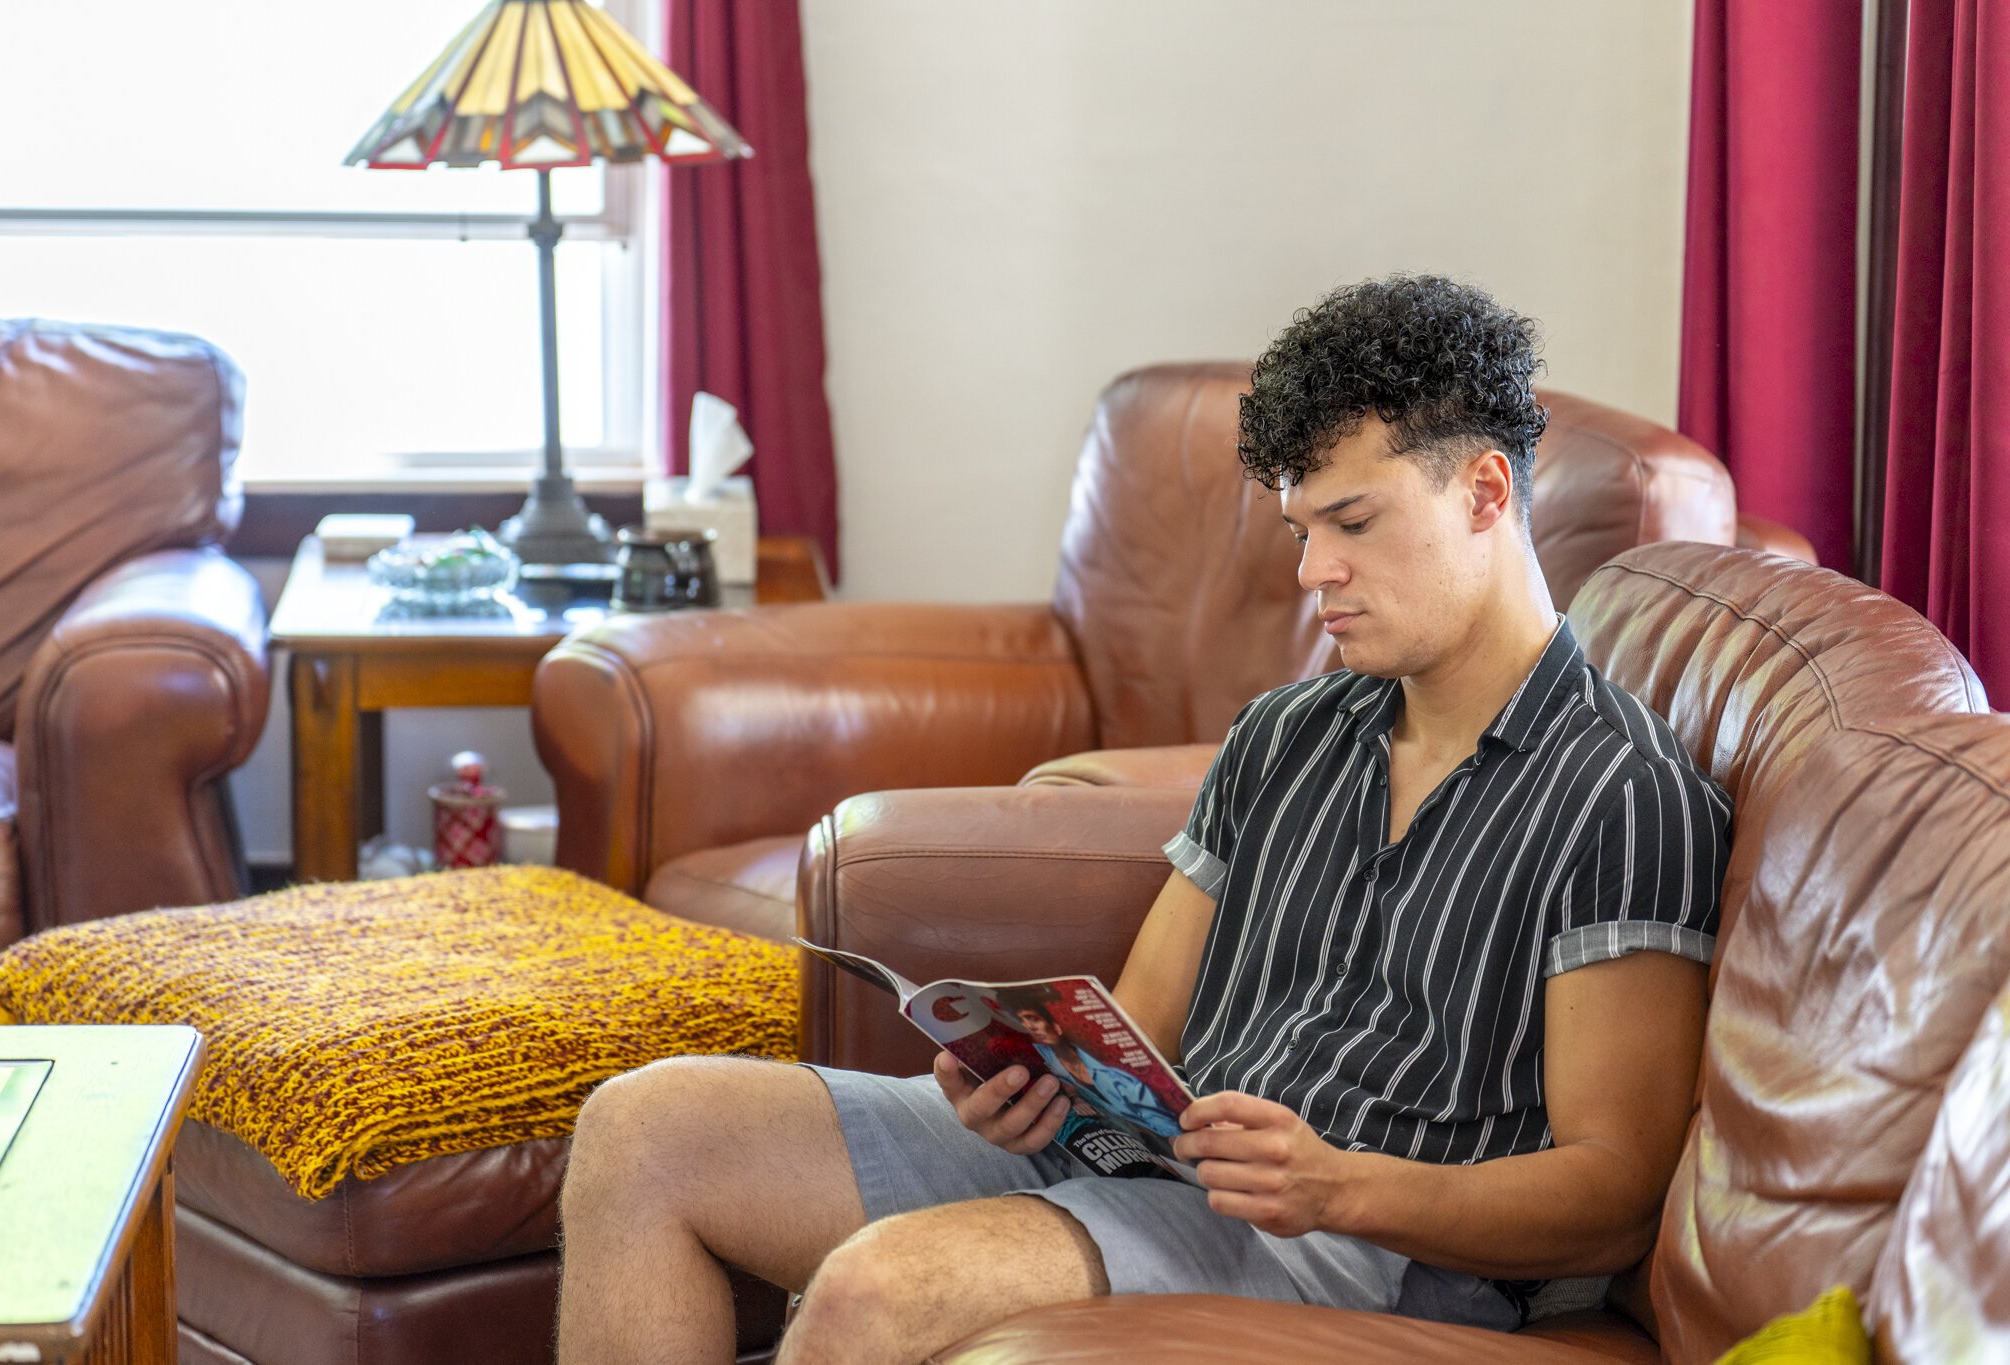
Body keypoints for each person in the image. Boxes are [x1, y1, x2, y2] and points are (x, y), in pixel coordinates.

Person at [554, 275, 1731, 1365]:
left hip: (1374, 1246)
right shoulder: (1284, 736)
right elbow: (1142, 1030)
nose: (1312, 569)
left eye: (1353, 523)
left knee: (882, 1289)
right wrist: (1038, 1088)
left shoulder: (1620, 796)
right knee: (644, 1127)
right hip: (1171, 1170)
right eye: (1297, 530)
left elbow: (1613, 1189)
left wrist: (1336, 1187)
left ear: (1482, 491)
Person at [997, 984, 1184, 1139]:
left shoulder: (1116, 1077)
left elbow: (1166, 1125)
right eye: (1023, 1021)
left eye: (1033, 1019)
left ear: (1056, 1027)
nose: (1029, 1026)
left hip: (1154, 1141)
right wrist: (1074, 1100)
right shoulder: (1043, 1056)